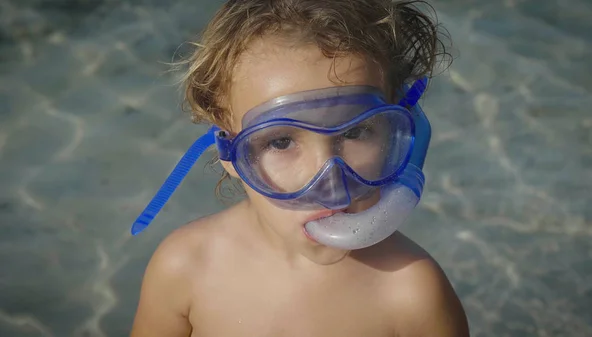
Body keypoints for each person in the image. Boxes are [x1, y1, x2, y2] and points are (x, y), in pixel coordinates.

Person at [130, 0, 469, 336]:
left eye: (354, 132)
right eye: (280, 142)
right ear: (229, 151)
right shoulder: (186, 268)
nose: (330, 182)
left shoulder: (412, 294)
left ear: (402, 133)